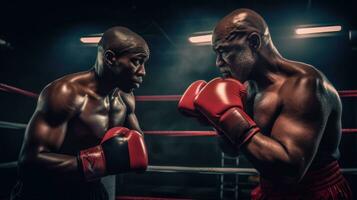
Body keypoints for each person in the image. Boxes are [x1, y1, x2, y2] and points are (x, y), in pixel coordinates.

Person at [178, 8, 352, 199]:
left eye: (224, 51)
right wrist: (218, 123)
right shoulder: (247, 88)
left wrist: (230, 118)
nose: (218, 62)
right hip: (269, 190)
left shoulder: (305, 85)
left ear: (254, 42)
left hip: (315, 192)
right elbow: (232, 151)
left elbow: (290, 171)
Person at [11, 26, 150, 200]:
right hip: (46, 191)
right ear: (110, 58)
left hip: (89, 189)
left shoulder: (126, 98)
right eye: (137, 61)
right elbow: (29, 163)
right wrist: (97, 162)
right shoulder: (65, 93)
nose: (143, 71)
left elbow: (137, 147)